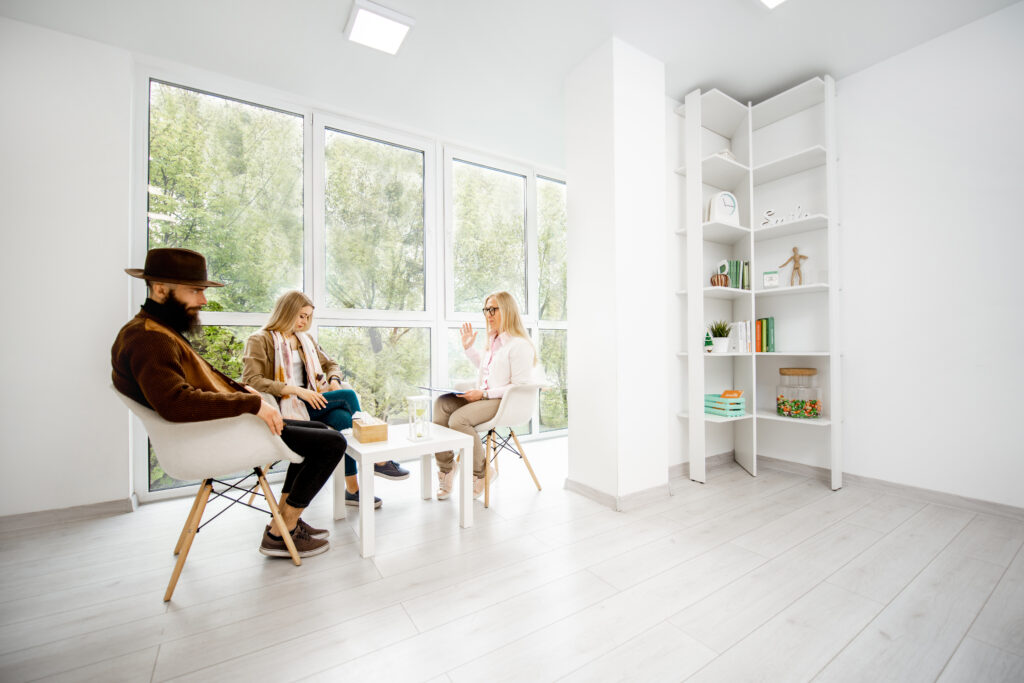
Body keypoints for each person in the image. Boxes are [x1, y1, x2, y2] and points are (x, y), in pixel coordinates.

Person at [111, 248, 341, 559]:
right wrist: (252, 404)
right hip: (215, 437)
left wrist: (243, 394)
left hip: (217, 430)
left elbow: (182, 390)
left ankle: (285, 521)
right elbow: (175, 403)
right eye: (196, 291)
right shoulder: (150, 339)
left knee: (318, 430)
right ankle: (282, 529)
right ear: (161, 289)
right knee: (330, 442)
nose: (203, 301)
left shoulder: (153, 330)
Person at [242, 291, 409, 509]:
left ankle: (352, 490)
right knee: (348, 397)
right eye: (301, 315)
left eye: (308, 317)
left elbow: (331, 364)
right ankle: (379, 459)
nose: (304, 321)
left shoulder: (305, 340)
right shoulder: (260, 339)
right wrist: (296, 391)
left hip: (311, 402)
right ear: (287, 311)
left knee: (341, 418)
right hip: (285, 409)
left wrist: (334, 380)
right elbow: (251, 381)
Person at [433, 291, 537, 500]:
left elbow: (519, 386)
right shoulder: (494, 341)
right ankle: (447, 468)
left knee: (458, 420)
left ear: (507, 311)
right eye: (486, 309)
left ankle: (482, 473)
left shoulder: (519, 345)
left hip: (504, 402)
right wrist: (469, 349)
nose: (488, 314)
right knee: (441, 403)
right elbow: (487, 371)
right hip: (486, 396)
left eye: (493, 309)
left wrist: (485, 393)